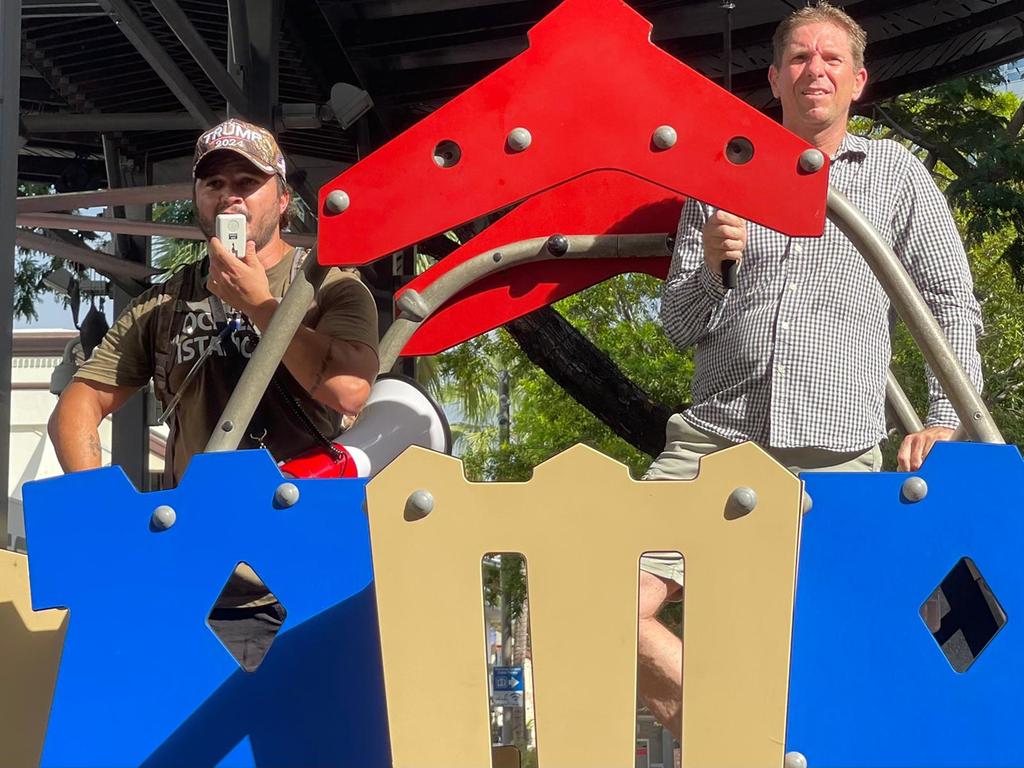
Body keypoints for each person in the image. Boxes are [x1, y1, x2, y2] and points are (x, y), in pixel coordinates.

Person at [636, 2, 984, 738]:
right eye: (798, 58)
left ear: (859, 81)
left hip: (835, 451)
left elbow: (950, 300)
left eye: (831, 59)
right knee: (595, 598)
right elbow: (677, 326)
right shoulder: (722, 176)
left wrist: (947, 415)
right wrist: (710, 269)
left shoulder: (894, 175)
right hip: (711, 443)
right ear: (773, 78)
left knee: (857, 648)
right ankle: (732, 737)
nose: (814, 70)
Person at [48, 118, 380, 669]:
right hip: (198, 581)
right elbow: (81, 402)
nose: (231, 196)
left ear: (281, 196)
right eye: (215, 183)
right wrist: (99, 501)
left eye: (247, 183)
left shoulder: (329, 285)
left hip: (309, 569)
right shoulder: (165, 303)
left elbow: (349, 390)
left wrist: (259, 305)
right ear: (197, 198)